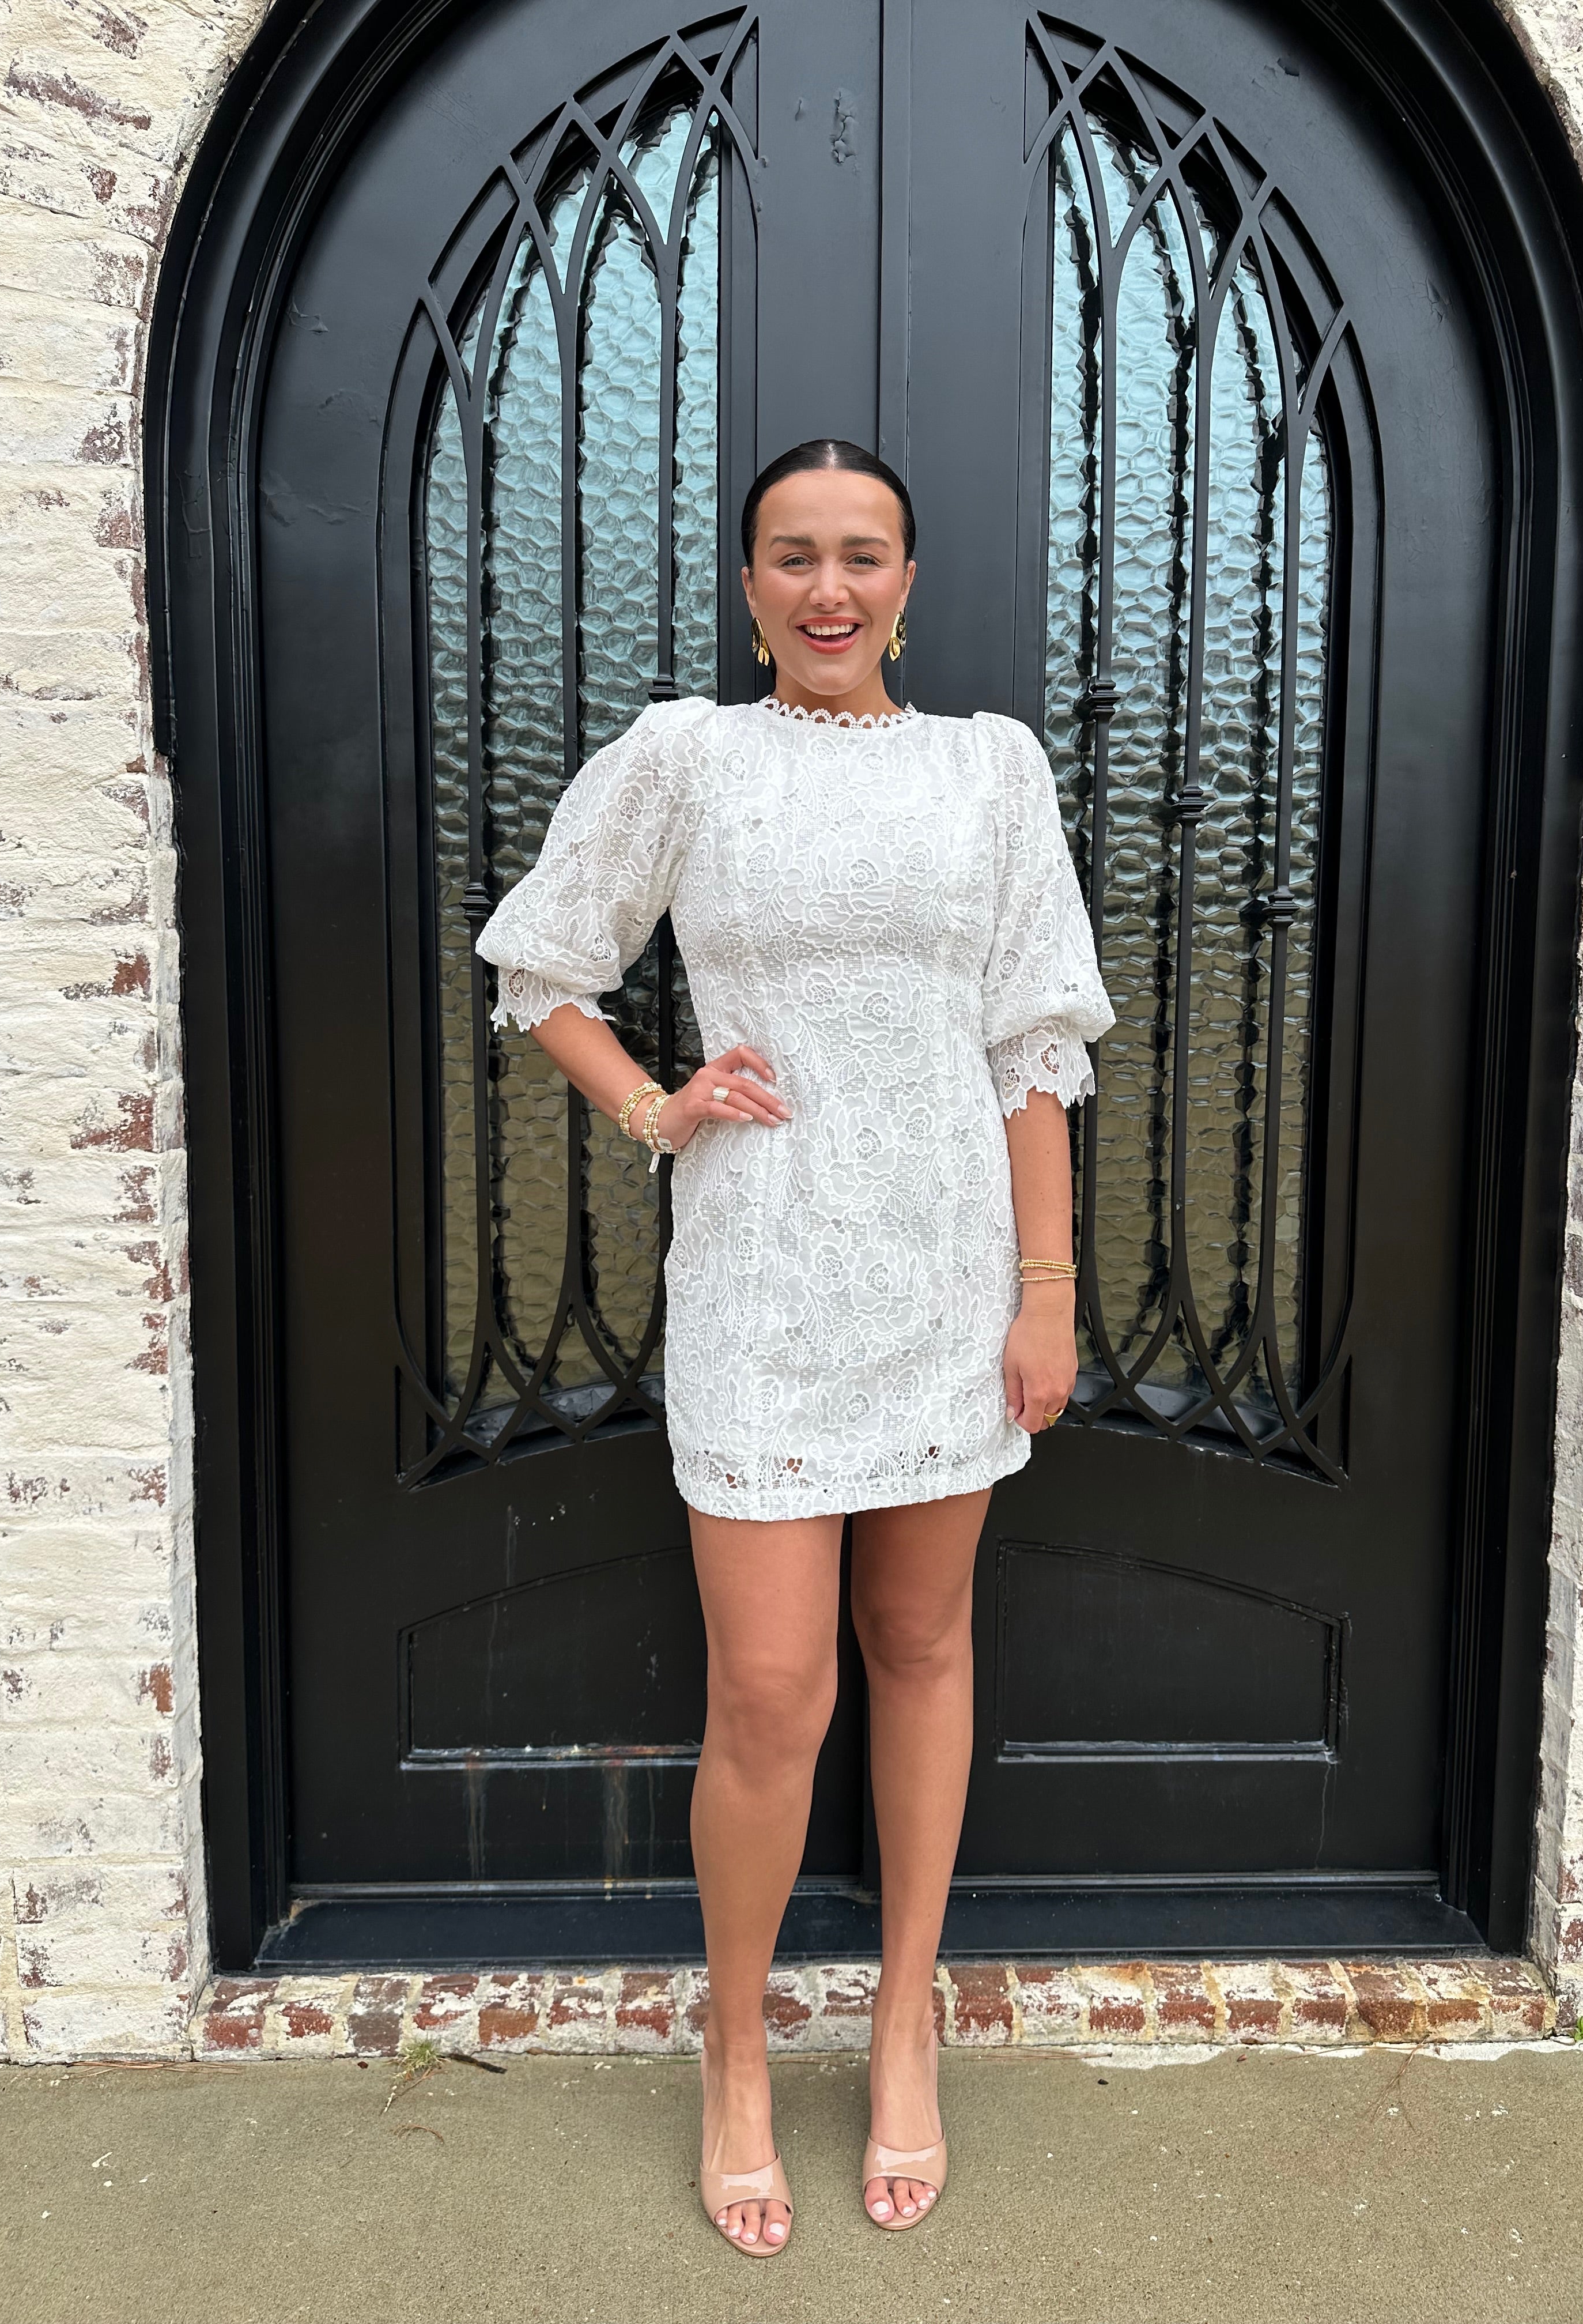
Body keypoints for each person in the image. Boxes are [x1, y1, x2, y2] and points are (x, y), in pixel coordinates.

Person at [476, 438, 1114, 2255]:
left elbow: (1031, 1048)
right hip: (764, 1283)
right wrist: (655, 1107)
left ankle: (905, 2022)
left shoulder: (992, 771)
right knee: (768, 1694)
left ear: (908, 578)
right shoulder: (690, 759)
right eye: (793, 554)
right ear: (751, 581)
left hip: (946, 1281)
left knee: (921, 1645)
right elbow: (545, 968)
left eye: (862, 554)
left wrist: (1048, 1290)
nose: (829, 587)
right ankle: (739, 2050)